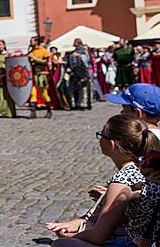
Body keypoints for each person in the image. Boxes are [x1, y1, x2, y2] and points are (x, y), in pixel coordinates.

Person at [47, 115, 153, 246]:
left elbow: (99, 236)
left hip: (133, 242)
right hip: (147, 239)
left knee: (60, 244)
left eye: (101, 135)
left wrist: (73, 236)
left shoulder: (122, 179)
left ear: (112, 144)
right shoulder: (147, 168)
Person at [29, 36, 53, 118]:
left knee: (43, 93)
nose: (30, 43)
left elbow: (46, 62)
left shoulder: (44, 51)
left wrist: (34, 58)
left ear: (36, 42)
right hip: (34, 74)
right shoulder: (32, 51)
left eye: (31, 41)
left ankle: (49, 111)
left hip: (42, 74)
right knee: (33, 93)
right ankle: (33, 112)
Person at [69, 39, 92, 109]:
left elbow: (87, 60)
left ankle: (85, 104)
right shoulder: (73, 51)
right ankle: (77, 103)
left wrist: (79, 55)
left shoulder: (84, 51)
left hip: (83, 71)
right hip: (76, 72)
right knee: (76, 88)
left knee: (84, 88)